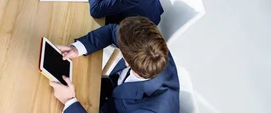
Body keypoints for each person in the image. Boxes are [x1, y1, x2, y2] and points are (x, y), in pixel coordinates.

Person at [49, 16, 180, 113]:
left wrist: (69, 101)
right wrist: (78, 48)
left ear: (127, 62)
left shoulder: (151, 109)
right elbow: (113, 31)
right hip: (112, 93)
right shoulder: (153, 48)